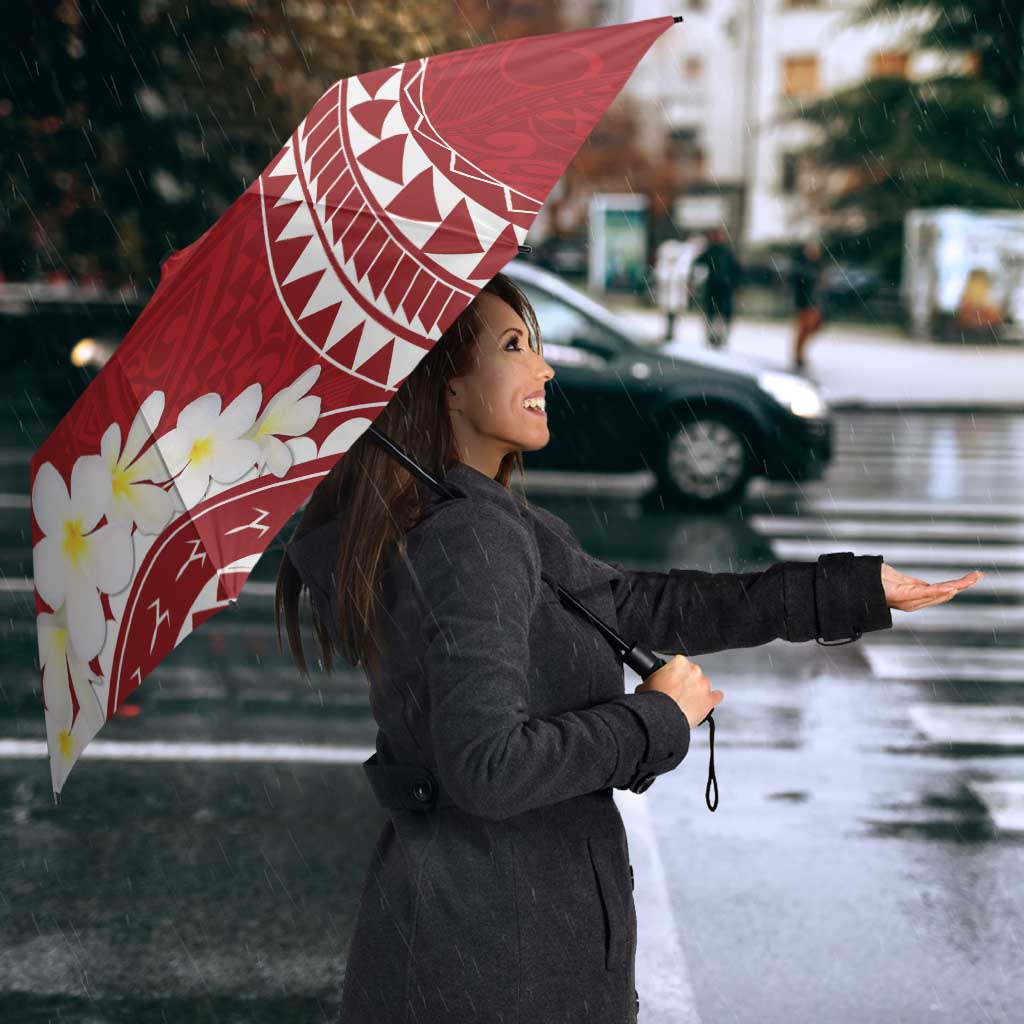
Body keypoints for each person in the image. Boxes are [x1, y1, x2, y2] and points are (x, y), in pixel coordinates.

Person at [275, 271, 970, 1024]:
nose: (544, 368)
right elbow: (488, 767)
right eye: (514, 346)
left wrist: (849, 591)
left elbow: (637, 605)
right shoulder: (469, 536)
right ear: (444, 386)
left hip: (477, 941)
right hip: (501, 962)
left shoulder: (473, 516)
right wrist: (657, 719)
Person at [692, 226, 742, 349]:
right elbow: (698, 264)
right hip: (715, 288)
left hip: (723, 288)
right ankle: (713, 337)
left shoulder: (725, 252)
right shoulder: (712, 251)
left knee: (720, 315)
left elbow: (736, 270)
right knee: (713, 314)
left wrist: (735, 284)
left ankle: (719, 337)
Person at [790, 239, 826, 371]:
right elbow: (799, 286)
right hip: (805, 303)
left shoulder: (817, 266)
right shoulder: (802, 267)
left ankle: (800, 354)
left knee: (812, 328)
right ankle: (798, 355)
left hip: (814, 303)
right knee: (804, 329)